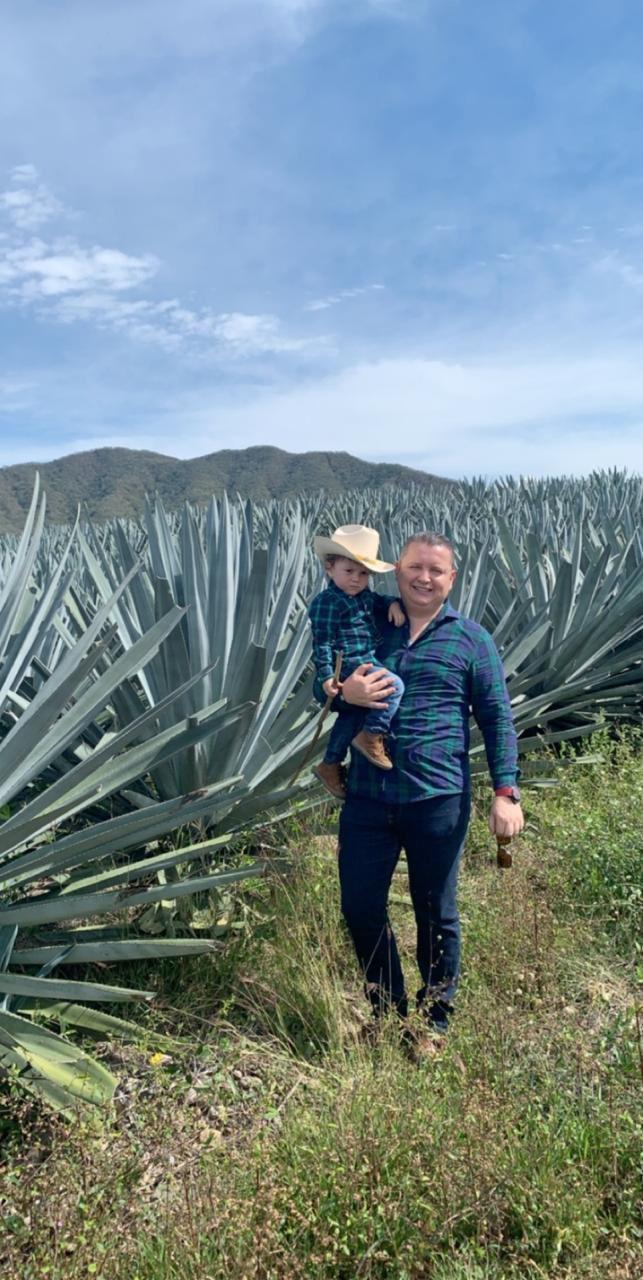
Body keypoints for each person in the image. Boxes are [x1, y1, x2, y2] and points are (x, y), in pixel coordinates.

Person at [334, 532, 524, 1042]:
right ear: (397, 570)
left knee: (436, 912)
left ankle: (434, 1021)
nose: (424, 577)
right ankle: (388, 1008)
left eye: (436, 570)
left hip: (438, 799)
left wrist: (506, 792)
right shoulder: (369, 625)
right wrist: (340, 689)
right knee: (359, 905)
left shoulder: (471, 640)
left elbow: (497, 719)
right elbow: (321, 678)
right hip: (369, 797)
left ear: (451, 579)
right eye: (415, 567)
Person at [308, 524, 406, 799]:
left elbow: (377, 599)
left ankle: (330, 764)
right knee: (394, 686)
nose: (356, 579)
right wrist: (327, 677)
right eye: (349, 571)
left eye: (363, 573)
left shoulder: (363, 596)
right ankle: (372, 735)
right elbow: (322, 641)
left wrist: (392, 604)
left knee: (351, 716)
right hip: (348, 664)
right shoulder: (327, 602)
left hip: (364, 659)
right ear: (330, 568)